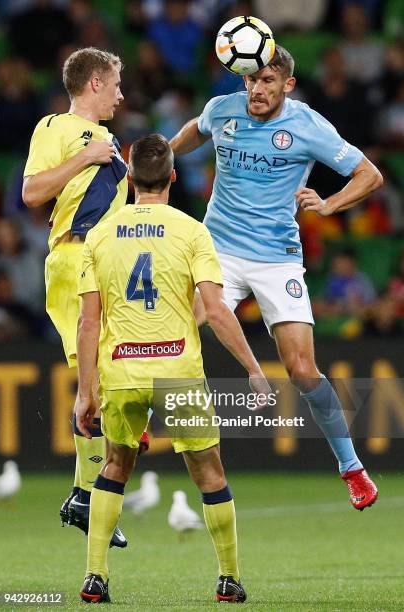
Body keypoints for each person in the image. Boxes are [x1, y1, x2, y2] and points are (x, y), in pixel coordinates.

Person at [169, 45, 383, 510]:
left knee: (302, 370)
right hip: (218, 251)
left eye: (267, 81)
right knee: (178, 328)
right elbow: (196, 130)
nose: (256, 90)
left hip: (276, 259)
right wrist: (166, 155)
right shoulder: (222, 109)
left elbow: (369, 174)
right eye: (251, 80)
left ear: (287, 84)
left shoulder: (308, 126)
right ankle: (141, 420)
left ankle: (351, 467)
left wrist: (330, 205)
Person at [75, 134, 270, 603]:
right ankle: (228, 577)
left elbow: (88, 321)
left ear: (128, 175)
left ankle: (95, 575)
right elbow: (218, 311)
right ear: (173, 177)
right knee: (209, 475)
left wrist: (85, 390)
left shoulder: (100, 234)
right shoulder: (192, 232)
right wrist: (253, 367)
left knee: (116, 467)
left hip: (121, 371)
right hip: (177, 370)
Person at [22, 47, 148, 547]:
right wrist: (83, 157)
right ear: (94, 83)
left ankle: (83, 495)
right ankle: (84, 496)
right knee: (93, 382)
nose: (121, 93)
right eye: (115, 83)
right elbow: (32, 193)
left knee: (116, 377)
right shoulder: (55, 127)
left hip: (107, 265)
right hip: (74, 261)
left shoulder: (112, 143)